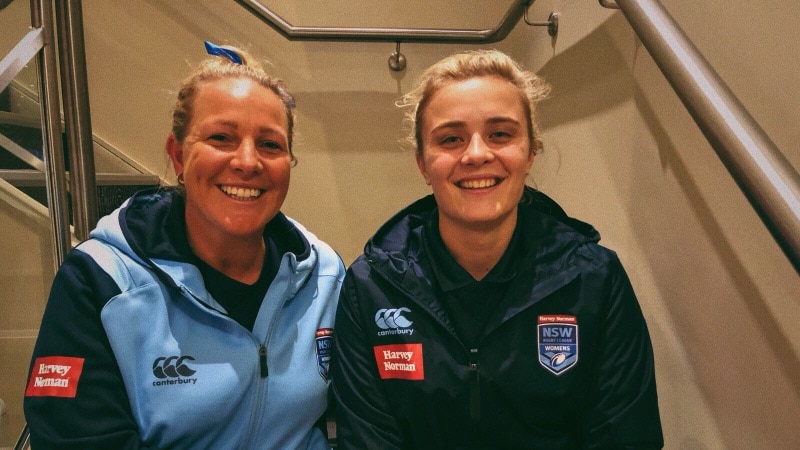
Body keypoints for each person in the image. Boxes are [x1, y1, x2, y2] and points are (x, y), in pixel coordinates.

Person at [331, 50, 664, 449]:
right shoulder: (370, 287)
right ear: (422, 163)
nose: (476, 154)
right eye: (451, 139)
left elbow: (626, 440)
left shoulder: (595, 279)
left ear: (530, 153)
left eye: (500, 134)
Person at [23, 42, 344, 449]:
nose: (248, 161)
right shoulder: (100, 281)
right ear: (177, 156)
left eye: (270, 144)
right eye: (221, 138)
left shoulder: (324, 275)